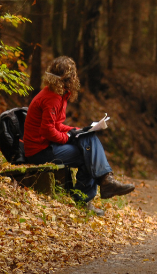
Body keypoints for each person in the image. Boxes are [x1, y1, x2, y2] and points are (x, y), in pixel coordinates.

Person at [23, 56, 134, 216]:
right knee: (87, 154)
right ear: (67, 78)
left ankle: (104, 182)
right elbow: (47, 130)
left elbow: (56, 125)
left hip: (46, 146)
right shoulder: (52, 98)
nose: (75, 78)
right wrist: (68, 137)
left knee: (88, 137)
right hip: (40, 151)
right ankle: (93, 192)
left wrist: (76, 130)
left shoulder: (57, 94)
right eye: (73, 75)